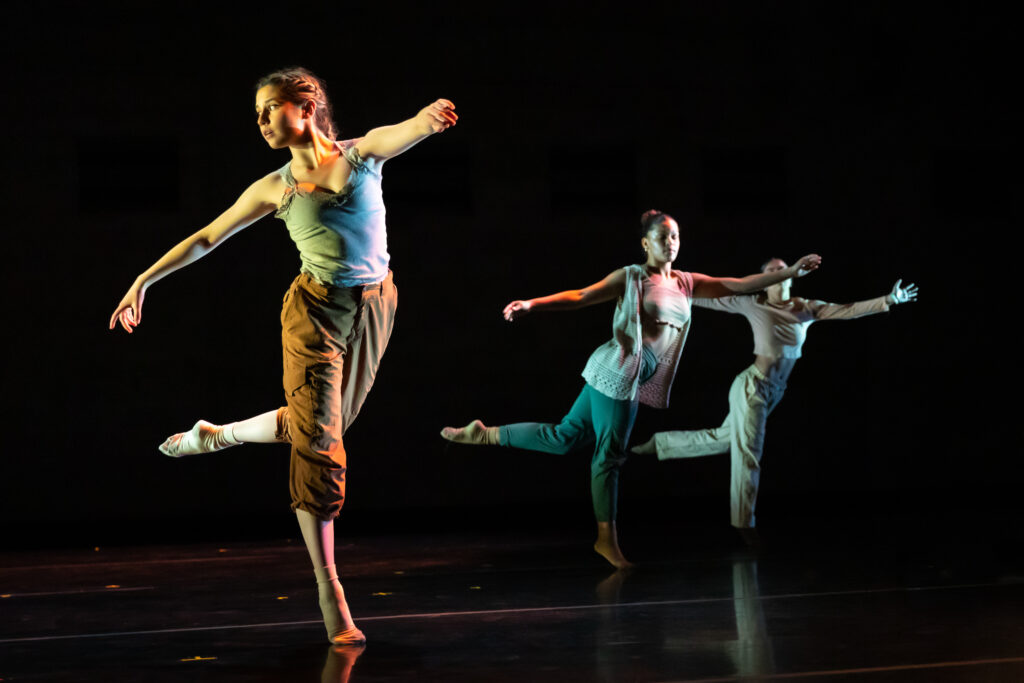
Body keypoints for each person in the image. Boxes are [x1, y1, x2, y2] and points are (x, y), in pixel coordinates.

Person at [109, 67, 457, 645]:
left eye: (271, 107)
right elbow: (206, 237)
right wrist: (144, 279)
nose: (263, 121)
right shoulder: (274, 187)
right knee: (320, 448)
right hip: (313, 314)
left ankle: (218, 435)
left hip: (375, 307)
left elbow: (405, 131)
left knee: (321, 428)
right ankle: (331, 594)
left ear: (307, 103)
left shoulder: (361, 155)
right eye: (259, 113)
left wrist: (428, 118)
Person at [440, 211, 821, 568]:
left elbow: (740, 284)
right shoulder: (631, 276)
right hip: (619, 374)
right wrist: (532, 305)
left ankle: (485, 434)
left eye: (675, 236)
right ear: (645, 243)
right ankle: (606, 539)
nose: (671, 242)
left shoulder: (687, 282)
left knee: (563, 437)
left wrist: (791, 271)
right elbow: (580, 296)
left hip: (622, 374)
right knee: (609, 457)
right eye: (662, 236)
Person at [631, 258, 918, 545]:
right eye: (771, 271)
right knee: (748, 453)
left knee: (724, 440)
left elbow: (847, 311)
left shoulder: (804, 307)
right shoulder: (753, 304)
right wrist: (659, 290)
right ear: (763, 279)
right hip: (751, 387)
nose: (778, 273)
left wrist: (889, 299)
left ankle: (658, 444)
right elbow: (710, 298)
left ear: (791, 278)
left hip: (774, 392)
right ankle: (745, 525)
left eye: (783, 269)